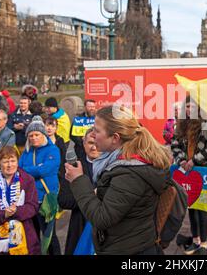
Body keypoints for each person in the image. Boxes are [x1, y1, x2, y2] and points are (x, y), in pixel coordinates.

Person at [64, 105, 170, 255]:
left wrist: (78, 180)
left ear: (115, 138)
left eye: (97, 130)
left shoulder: (130, 173)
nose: (92, 135)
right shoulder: (118, 162)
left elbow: (102, 218)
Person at [171, 96, 207, 255]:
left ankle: (204, 245)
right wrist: (182, 160)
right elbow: (175, 146)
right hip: (187, 172)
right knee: (191, 207)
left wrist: (195, 160)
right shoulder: (180, 126)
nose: (188, 110)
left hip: (203, 171)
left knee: (203, 209)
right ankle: (195, 240)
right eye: (186, 107)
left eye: (192, 107)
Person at [0, 146, 40, 255]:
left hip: (23, 237)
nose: (10, 165)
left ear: (17, 161)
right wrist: (3, 214)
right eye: (5, 162)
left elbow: (33, 207)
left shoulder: (28, 180)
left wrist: (16, 211)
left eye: (13, 161)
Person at [19, 116, 61, 255]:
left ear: (43, 134)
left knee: (49, 235)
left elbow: (46, 169)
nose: (33, 138)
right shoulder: (26, 151)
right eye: (30, 135)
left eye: (37, 134)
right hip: (30, 200)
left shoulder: (53, 150)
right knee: (33, 236)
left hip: (46, 199)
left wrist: (28, 169)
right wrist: (36, 169)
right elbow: (19, 170)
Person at [58, 129, 100, 255]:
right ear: (83, 143)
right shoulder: (73, 167)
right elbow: (63, 200)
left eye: (97, 143)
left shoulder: (112, 166)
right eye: (90, 143)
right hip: (80, 226)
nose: (94, 147)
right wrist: (90, 195)